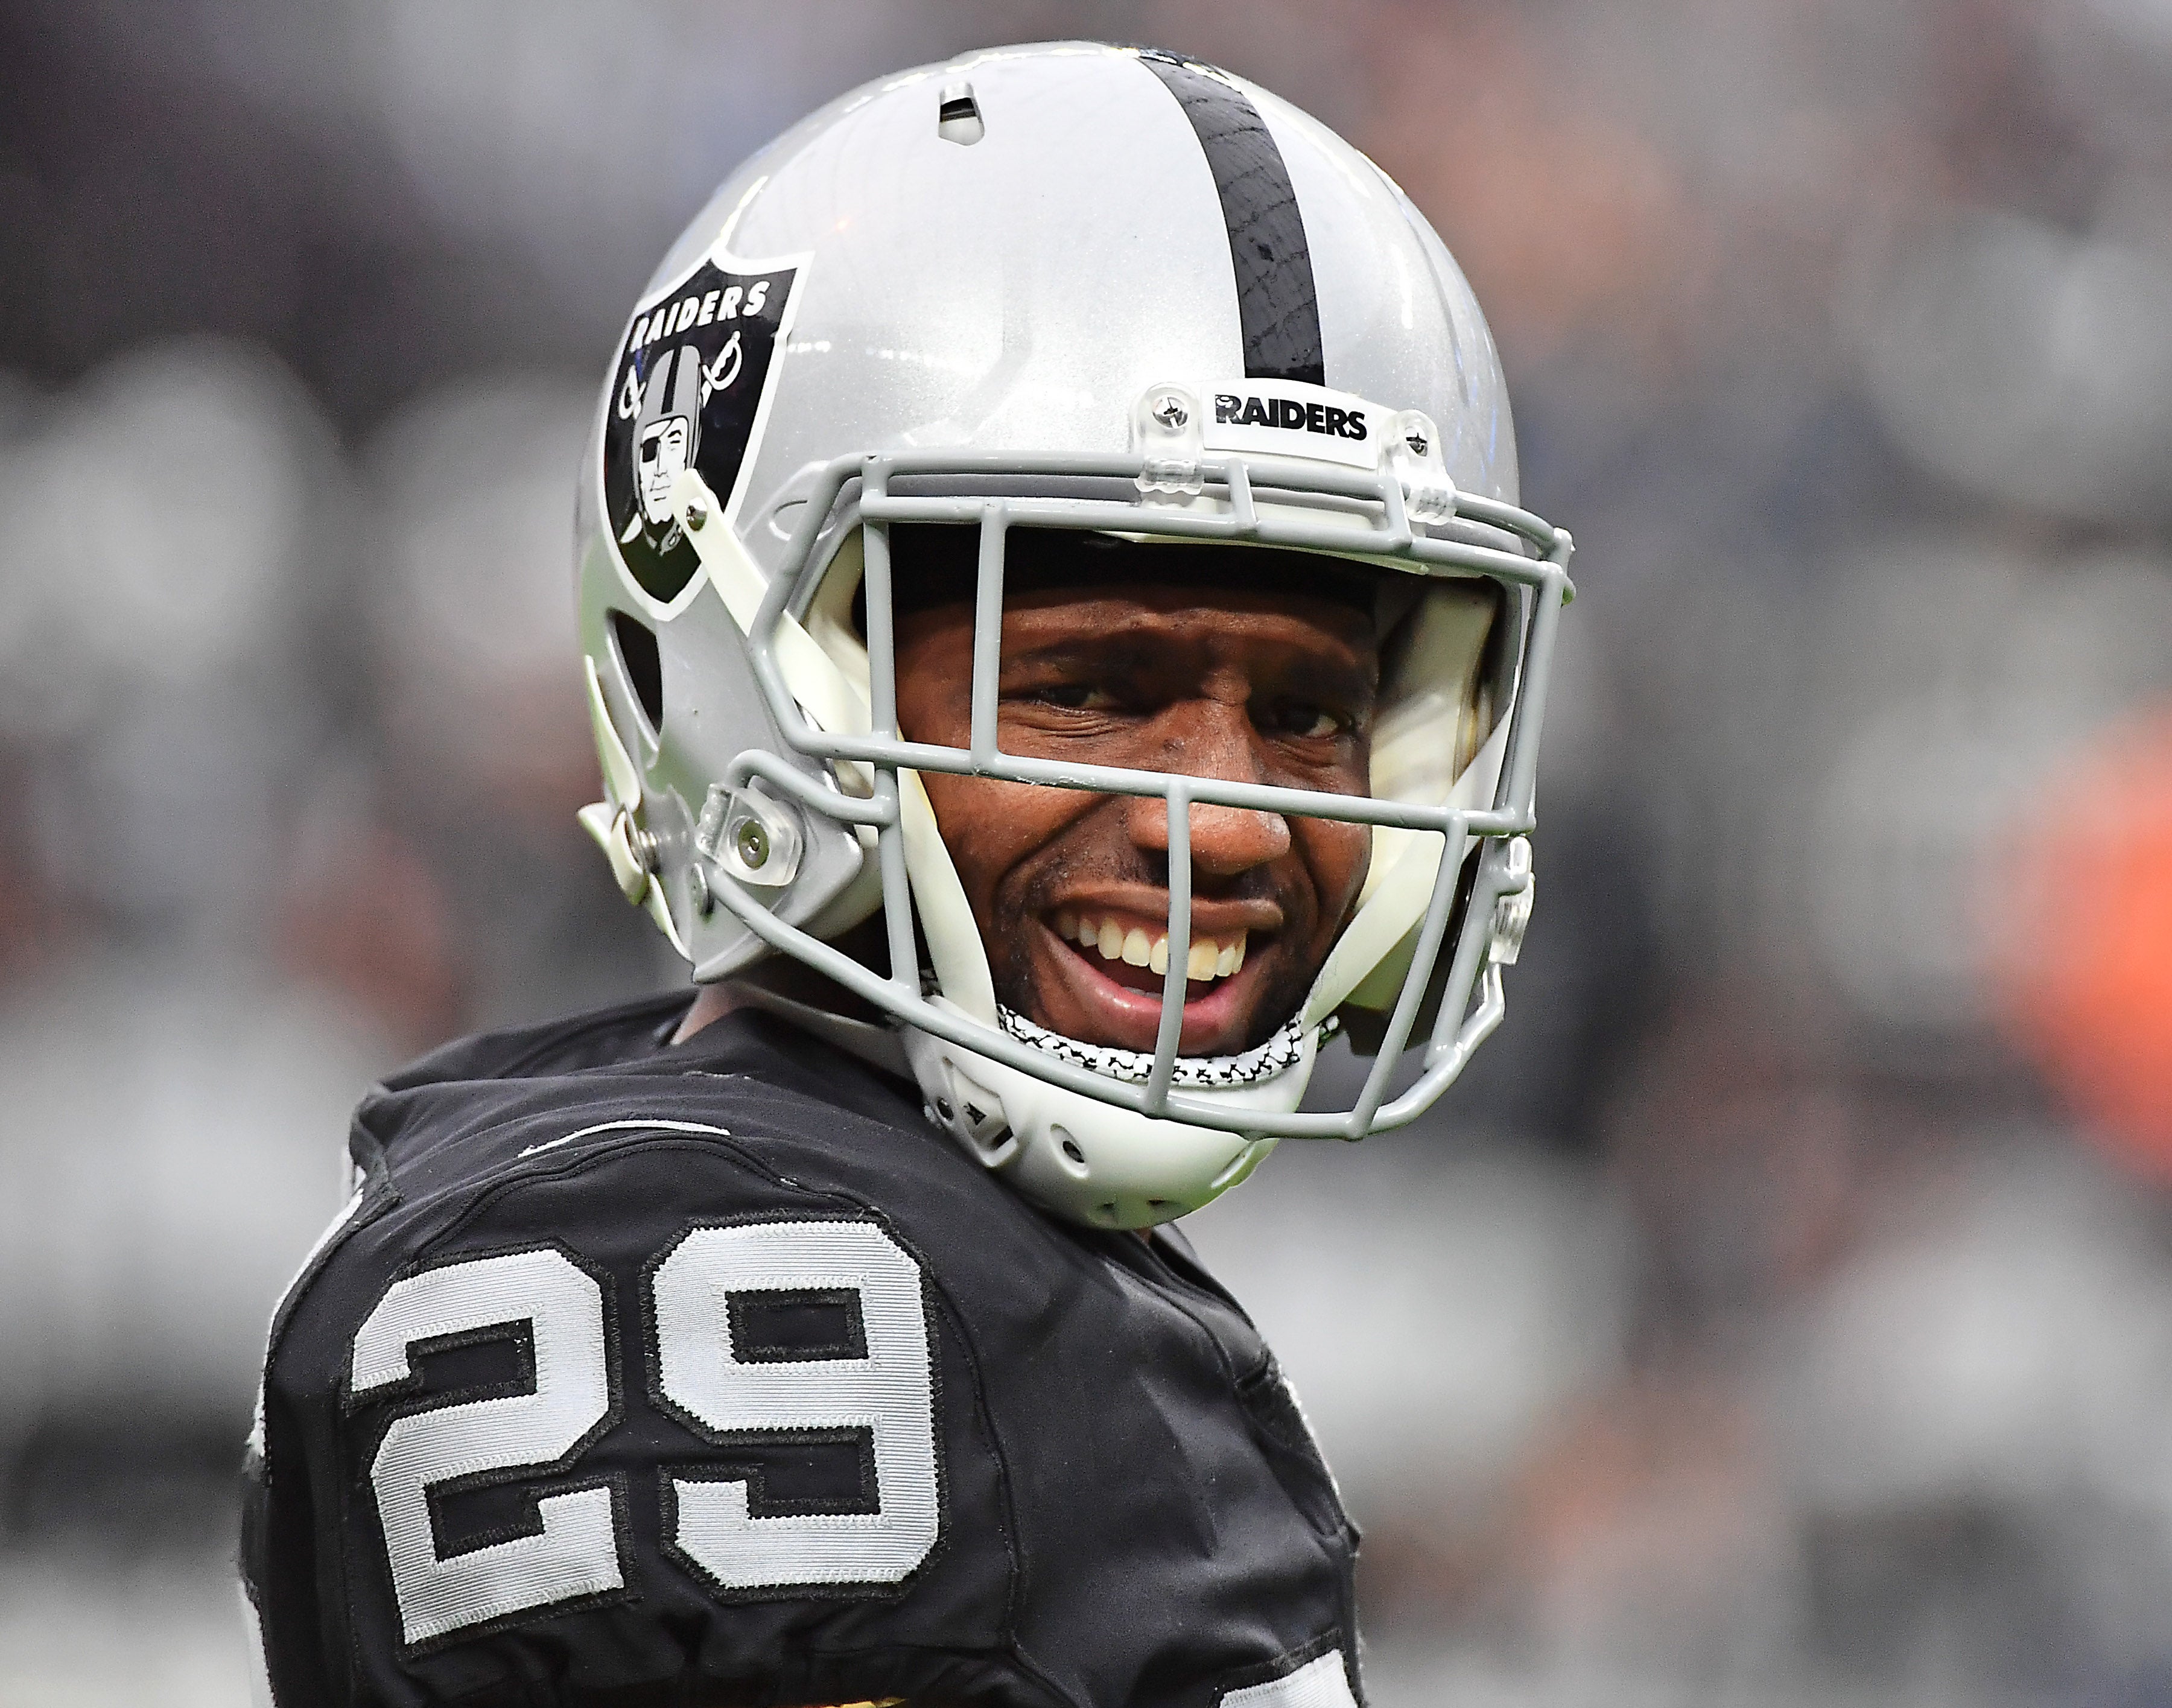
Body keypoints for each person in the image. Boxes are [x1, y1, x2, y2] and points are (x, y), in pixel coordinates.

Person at [240, 41, 1573, 1708]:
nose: (1228, 821)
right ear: (758, 676)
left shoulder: (958, 1244)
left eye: (1310, 713)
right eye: (1091, 690)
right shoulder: (672, 1258)